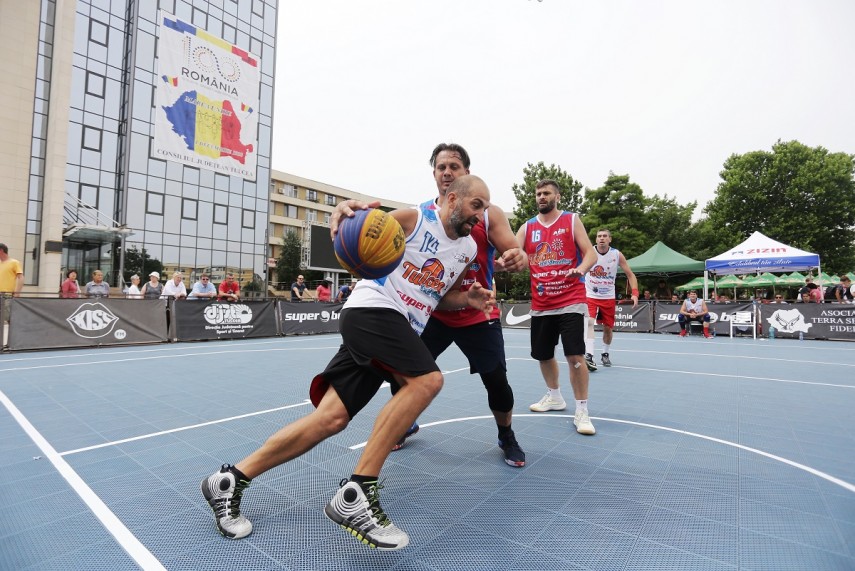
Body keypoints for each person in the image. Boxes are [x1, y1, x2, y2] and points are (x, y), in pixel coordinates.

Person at [200, 175, 493, 550]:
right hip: (374, 309)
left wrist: (465, 299)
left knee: (331, 419)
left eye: (484, 209)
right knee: (427, 381)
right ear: (452, 199)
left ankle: (228, 481)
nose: (480, 216)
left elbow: (440, 295)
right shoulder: (417, 219)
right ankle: (357, 495)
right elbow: (362, 219)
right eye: (476, 206)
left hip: (393, 324)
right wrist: (344, 211)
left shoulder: (467, 248)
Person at [391, 142, 528, 465]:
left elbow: (514, 249)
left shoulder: (487, 212)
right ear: (435, 175)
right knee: (402, 376)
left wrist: (516, 255)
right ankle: (403, 422)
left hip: (477, 312)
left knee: (497, 383)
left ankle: (506, 434)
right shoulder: (421, 214)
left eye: (454, 166)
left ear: (467, 172)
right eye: (442, 167)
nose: (448, 172)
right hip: (434, 311)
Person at [516, 179, 598, 435]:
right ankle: (554, 397)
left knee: (575, 356)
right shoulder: (527, 227)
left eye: (546, 193)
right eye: (538, 193)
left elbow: (590, 254)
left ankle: (582, 410)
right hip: (541, 303)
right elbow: (513, 255)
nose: (541, 197)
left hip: (571, 299)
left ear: (557, 196)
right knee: (542, 355)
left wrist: (580, 269)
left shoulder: (571, 220)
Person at [584, 229, 638, 369]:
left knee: (608, 328)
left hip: (608, 296)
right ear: (596, 239)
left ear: (610, 239)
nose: (602, 238)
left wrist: (635, 293)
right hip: (590, 294)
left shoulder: (616, 254)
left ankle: (605, 354)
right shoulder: (588, 252)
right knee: (589, 322)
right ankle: (589, 355)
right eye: (599, 236)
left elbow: (630, 274)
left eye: (604, 236)